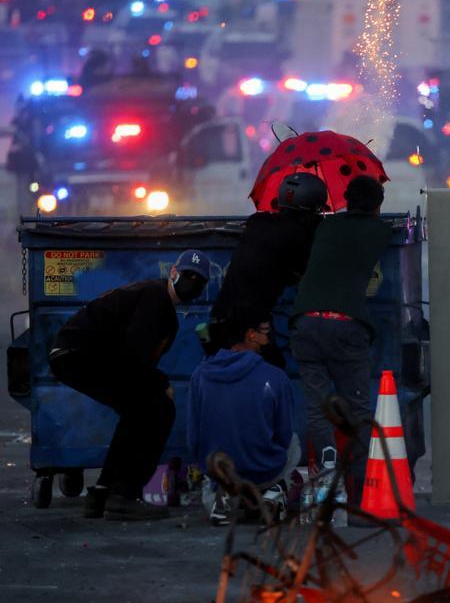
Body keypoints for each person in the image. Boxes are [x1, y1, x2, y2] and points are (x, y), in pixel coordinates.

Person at [48, 249, 211, 521]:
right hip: (80, 354)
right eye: (187, 275)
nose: (191, 282)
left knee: (139, 409)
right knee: (157, 409)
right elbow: (134, 356)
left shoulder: (158, 302)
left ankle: (104, 492)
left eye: (198, 280)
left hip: (75, 354)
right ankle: (124, 495)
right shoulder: (155, 298)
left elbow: (133, 361)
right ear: (173, 273)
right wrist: (161, 384)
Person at [290, 175, 388, 506]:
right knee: (358, 409)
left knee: (319, 408)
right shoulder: (380, 231)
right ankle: (358, 495)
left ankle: (327, 476)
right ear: (378, 205)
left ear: (345, 199)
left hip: (306, 322)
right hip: (347, 325)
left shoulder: (326, 227)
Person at [206, 172, 327, 367]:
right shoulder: (299, 236)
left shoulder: (257, 222)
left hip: (218, 319)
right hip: (250, 325)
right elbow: (304, 274)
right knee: (274, 370)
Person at [188, 314, 298, 526]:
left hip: (220, 471)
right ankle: (272, 494)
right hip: (264, 469)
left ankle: (224, 497)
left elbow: (193, 437)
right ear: (251, 335)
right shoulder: (276, 377)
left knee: (214, 482)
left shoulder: (200, 375)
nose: (269, 339)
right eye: (266, 333)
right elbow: (283, 435)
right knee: (293, 442)